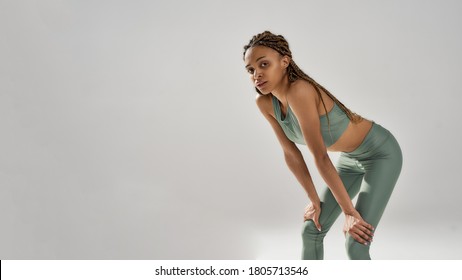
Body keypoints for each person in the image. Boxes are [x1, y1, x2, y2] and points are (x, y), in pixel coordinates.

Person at [242, 31, 403, 260]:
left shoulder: (300, 91)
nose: (257, 74)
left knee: (356, 242)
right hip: (349, 160)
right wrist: (314, 201)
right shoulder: (265, 103)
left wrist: (350, 213)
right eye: (250, 70)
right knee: (311, 230)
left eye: (264, 64)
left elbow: (320, 157)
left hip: (380, 154)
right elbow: (291, 153)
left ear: (285, 62)